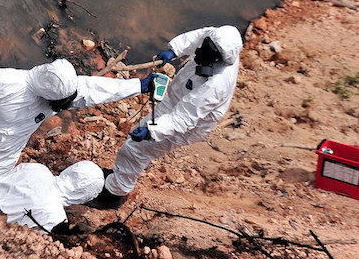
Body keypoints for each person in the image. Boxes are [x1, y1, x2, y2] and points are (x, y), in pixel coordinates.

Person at [0, 58, 148, 215]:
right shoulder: (1, 81)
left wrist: (139, 86)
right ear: (45, 93)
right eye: (60, 104)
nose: (61, 107)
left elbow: (95, 89)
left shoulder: (60, 93)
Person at [88, 25, 243, 210]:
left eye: (205, 53)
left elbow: (183, 119)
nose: (199, 53)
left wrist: (152, 131)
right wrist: (174, 50)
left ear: (217, 60)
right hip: (176, 101)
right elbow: (200, 35)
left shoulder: (214, 85)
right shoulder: (221, 39)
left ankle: (113, 194)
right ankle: (118, 177)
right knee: (134, 147)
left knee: (136, 150)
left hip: (189, 125)